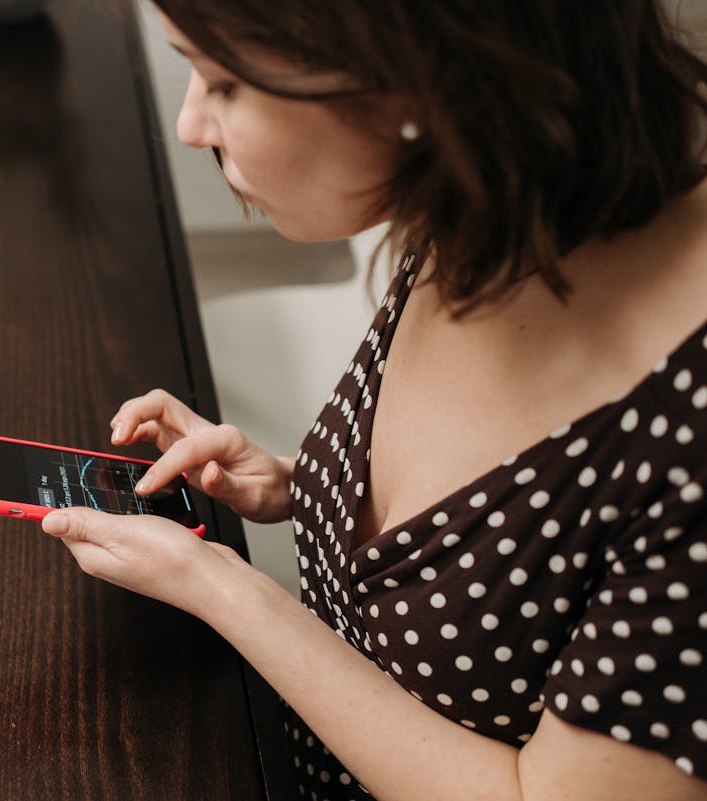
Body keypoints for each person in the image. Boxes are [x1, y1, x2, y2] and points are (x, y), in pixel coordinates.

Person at [38, 3, 707, 800]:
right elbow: (483, 534)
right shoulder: (480, 197)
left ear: (412, 82)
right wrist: (295, 483)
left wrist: (221, 585)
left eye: (223, 81)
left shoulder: (687, 430)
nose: (190, 124)